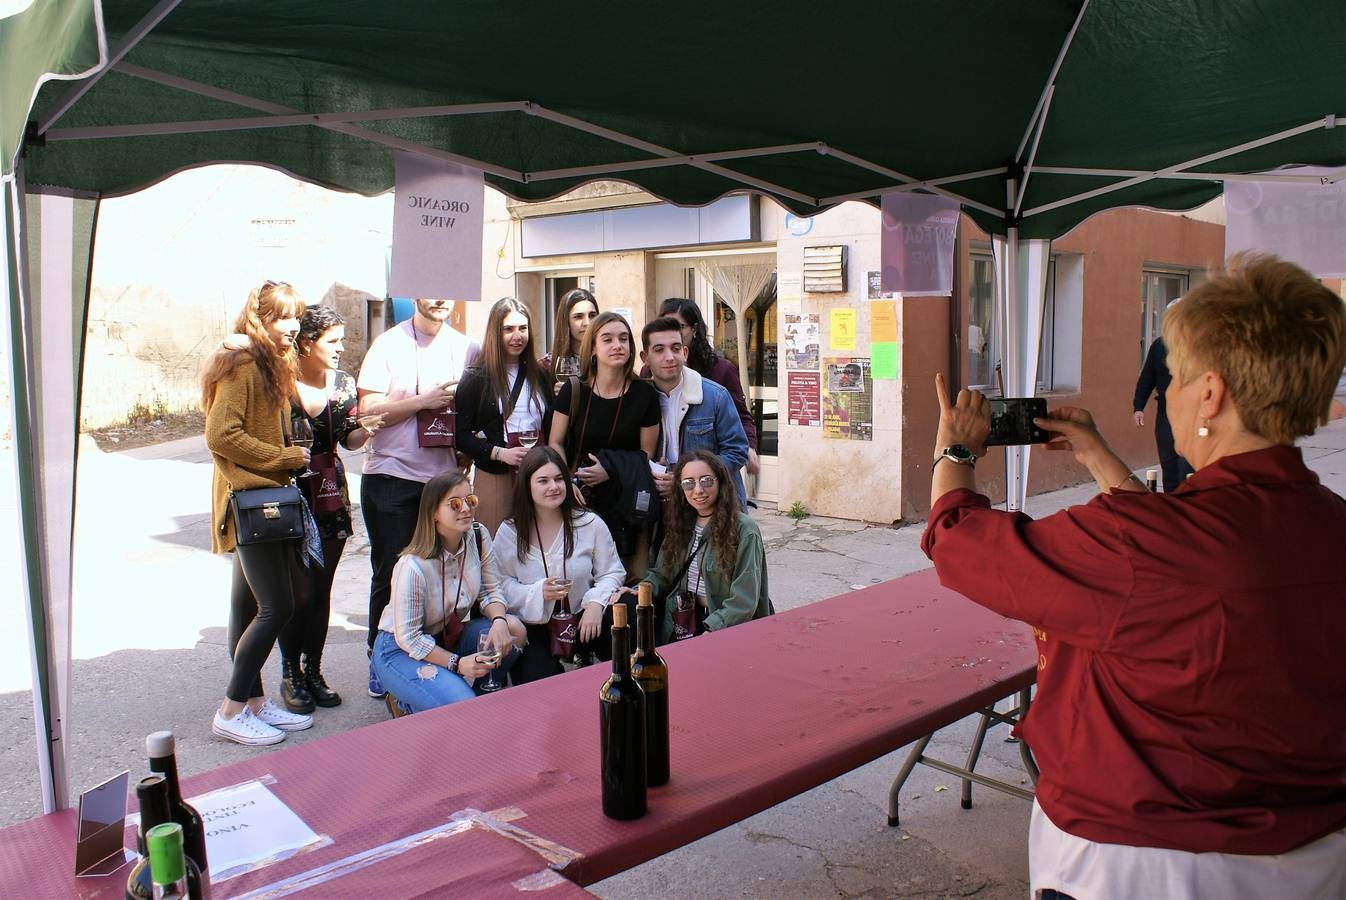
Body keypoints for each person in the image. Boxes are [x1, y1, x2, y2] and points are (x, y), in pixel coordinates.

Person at [922, 253, 1346, 899]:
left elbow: (957, 540)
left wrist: (954, 451)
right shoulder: (1327, 524)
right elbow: (1191, 566)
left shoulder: (1141, 545)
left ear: (1211, 392)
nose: (1166, 394)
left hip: (1140, 868)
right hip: (1310, 861)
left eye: (1172, 377)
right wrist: (1103, 461)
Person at [202, 280, 314, 746]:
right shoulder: (243, 363)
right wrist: (282, 459)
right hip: (252, 502)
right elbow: (220, 435)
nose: (292, 327)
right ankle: (231, 709)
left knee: (246, 605)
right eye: (281, 318)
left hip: (256, 499)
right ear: (260, 320)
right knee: (279, 605)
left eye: (295, 318)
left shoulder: (265, 362)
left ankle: (253, 703)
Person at [357, 298, 473, 699]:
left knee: (441, 571)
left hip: (441, 481)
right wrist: (421, 403)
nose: (439, 297)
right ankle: (380, 657)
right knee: (390, 570)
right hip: (392, 475)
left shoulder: (466, 347)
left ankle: (430, 654)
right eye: (430, 287)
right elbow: (366, 413)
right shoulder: (388, 344)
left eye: (447, 288)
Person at [276, 306, 382, 713]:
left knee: (321, 590)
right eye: (332, 341)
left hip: (330, 490)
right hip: (290, 491)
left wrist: (368, 428)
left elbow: (350, 440)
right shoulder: (279, 383)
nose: (341, 348)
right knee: (295, 590)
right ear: (306, 343)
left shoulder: (342, 384)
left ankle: (314, 670)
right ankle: (290, 674)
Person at [371, 471, 526, 713]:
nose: (465, 508)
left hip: (444, 636)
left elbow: (490, 590)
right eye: (455, 504)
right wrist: (457, 664)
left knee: (513, 630)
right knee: (461, 707)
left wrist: (499, 620)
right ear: (433, 513)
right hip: (399, 650)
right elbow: (409, 638)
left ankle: (474, 701)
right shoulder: (412, 566)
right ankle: (408, 702)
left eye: (470, 500)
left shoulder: (477, 535)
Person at [493, 447, 627, 682]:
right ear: (527, 486)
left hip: (585, 620)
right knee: (540, 686)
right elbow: (498, 584)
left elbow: (612, 572)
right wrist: (536, 592)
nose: (553, 487)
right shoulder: (509, 531)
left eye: (558, 479)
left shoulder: (589, 522)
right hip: (536, 628)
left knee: (628, 606)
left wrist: (596, 603)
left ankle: (623, 684)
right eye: (543, 481)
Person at [548, 311, 661, 575]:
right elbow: (555, 442)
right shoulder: (574, 390)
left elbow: (646, 454)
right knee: (581, 576)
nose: (617, 345)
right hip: (580, 499)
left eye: (623, 339)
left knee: (630, 580)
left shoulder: (644, 394)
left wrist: (610, 469)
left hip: (627, 503)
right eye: (607, 339)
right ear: (594, 348)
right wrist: (565, 480)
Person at [638, 450, 770, 641]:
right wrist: (640, 590)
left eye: (706, 480)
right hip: (682, 620)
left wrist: (713, 629)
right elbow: (662, 574)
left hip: (722, 624)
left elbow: (745, 599)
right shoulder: (680, 524)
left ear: (720, 482)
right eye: (688, 483)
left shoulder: (744, 529)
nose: (698, 490)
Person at [455, 298, 550, 535]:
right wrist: (501, 453)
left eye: (523, 328)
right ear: (495, 332)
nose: (517, 336)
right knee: (494, 546)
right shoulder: (476, 376)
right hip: (496, 474)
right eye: (508, 329)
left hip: (538, 471)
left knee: (538, 542)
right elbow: (460, 435)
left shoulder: (540, 374)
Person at [640, 316, 749, 508]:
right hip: (661, 507)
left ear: (685, 353)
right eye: (659, 350)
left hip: (713, 505)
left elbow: (737, 451)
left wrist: (688, 479)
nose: (669, 357)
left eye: (675, 348)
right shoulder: (639, 399)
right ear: (645, 358)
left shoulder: (714, 396)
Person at [658, 298, 760, 475]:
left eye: (679, 326)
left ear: (694, 329)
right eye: (666, 326)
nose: (673, 333)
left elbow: (741, 416)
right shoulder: (650, 372)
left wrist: (749, 447)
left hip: (709, 480)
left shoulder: (721, 370)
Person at [1133, 334, 1194, 491]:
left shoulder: (1200, 343)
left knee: (1187, 464)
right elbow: (1147, 378)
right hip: (1165, 412)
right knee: (1168, 461)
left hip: (1193, 412)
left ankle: (1189, 501)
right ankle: (1172, 501)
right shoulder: (1160, 345)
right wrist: (1139, 407)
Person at [544, 287, 600, 384]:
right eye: (578, 317)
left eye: (592, 316)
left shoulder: (606, 359)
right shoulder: (546, 365)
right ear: (566, 322)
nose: (587, 323)